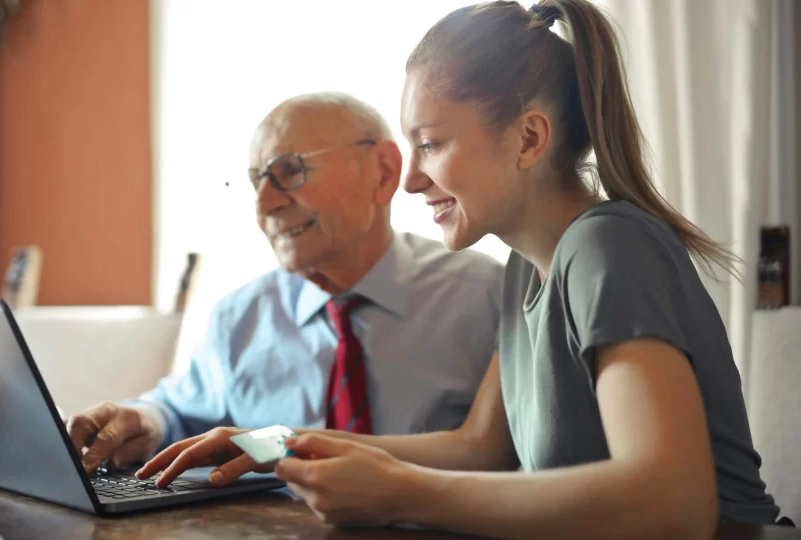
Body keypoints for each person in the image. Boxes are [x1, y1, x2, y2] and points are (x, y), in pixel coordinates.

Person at [137, 1, 784, 537]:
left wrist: (400, 494)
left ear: (529, 139)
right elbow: (480, 447)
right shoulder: (524, 271)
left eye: (431, 142)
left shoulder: (606, 248)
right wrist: (273, 444)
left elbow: (674, 505)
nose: (412, 178)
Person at [65, 92, 503, 475]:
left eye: (289, 171)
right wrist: (143, 421)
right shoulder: (240, 316)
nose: (265, 206)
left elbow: (500, 456)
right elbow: (180, 411)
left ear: (384, 172)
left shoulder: (486, 296)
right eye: (257, 181)